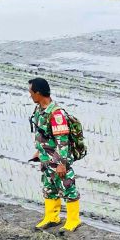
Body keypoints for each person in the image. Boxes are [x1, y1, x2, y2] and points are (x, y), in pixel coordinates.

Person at [29, 77, 81, 232]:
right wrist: (39, 151)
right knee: (49, 188)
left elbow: (62, 140)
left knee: (68, 188)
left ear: (38, 93)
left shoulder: (56, 114)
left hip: (58, 159)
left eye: (31, 92)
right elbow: (41, 133)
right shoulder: (39, 110)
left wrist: (61, 163)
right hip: (45, 159)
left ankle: (73, 220)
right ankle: (52, 217)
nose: (30, 95)